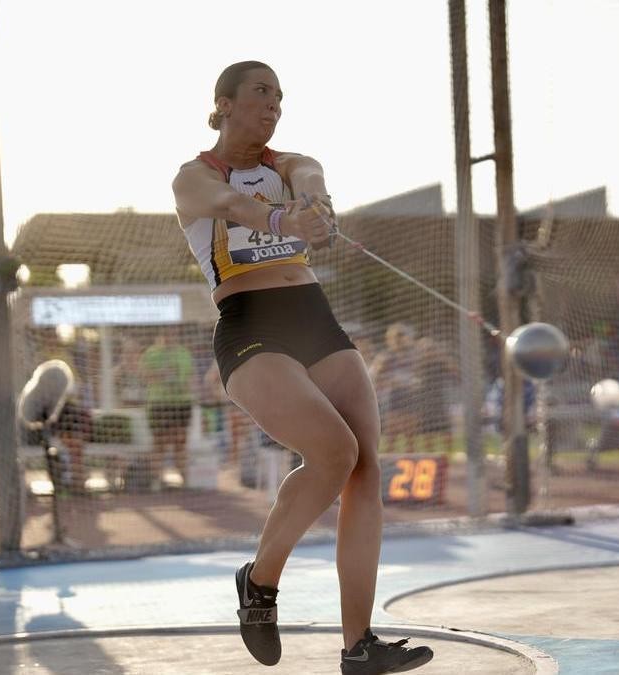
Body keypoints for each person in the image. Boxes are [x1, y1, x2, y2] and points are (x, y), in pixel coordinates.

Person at [171, 61, 432, 674]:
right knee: (334, 453)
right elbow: (233, 205)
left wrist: (318, 204)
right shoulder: (192, 178)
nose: (274, 106)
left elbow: (309, 174)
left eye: (280, 97)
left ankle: (359, 645)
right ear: (224, 103)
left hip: (313, 316)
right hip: (249, 325)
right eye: (261, 93)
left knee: (365, 467)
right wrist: (285, 219)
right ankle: (260, 582)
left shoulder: (287, 163)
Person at [139, 328, 196, 487]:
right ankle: (156, 480)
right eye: (166, 333)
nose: (169, 336)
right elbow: (143, 376)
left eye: (173, 333)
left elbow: (191, 377)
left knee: (180, 441)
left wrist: (187, 386)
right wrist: (161, 374)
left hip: (181, 403)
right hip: (159, 404)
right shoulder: (151, 354)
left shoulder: (184, 353)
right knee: (160, 442)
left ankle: (185, 481)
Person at [369, 323, 421, 453]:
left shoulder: (413, 356)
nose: (399, 340)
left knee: (410, 436)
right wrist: (389, 381)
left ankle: (410, 464)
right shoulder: (385, 357)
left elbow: (419, 376)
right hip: (393, 396)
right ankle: (388, 467)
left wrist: (415, 382)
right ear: (389, 340)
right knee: (392, 436)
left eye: (402, 336)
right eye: (396, 337)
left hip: (410, 395)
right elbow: (374, 377)